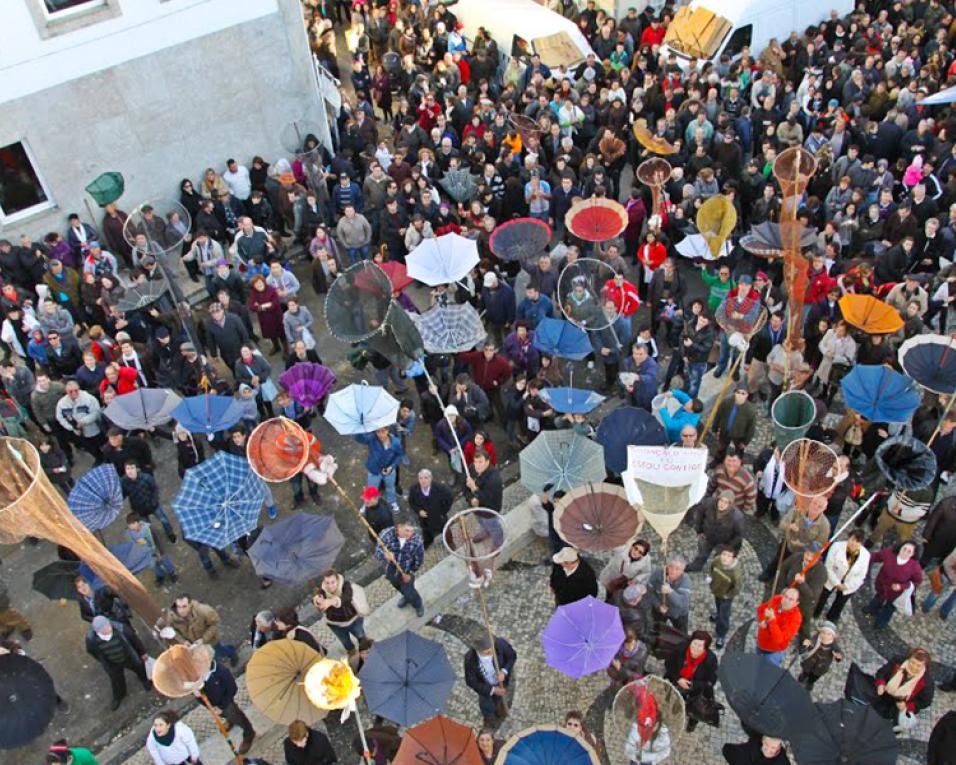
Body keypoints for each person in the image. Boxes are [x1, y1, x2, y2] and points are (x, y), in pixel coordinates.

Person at [197, 644, 257, 754]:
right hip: (213, 704)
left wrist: (222, 707)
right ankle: (230, 721)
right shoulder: (200, 672)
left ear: (208, 659)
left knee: (238, 718)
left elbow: (232, 689)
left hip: (226, 704)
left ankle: (249, 734)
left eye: (200, 660)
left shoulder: (221, 671)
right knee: (225, 715)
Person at [85, 615, 150, 710]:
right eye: (105, 628)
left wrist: (143, 652)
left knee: (139, 667)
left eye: (108, 625)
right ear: (98, 631)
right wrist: (103, 661)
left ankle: (144, 680)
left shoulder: (122, 629)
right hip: (112, 662)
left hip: (128, 656)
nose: (108, 628)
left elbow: (135, 640)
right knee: (116, 680)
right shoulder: (91, 639)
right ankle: (119, 695)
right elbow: (92, 651)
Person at [664, 630, 718, 732]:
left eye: (699, 646)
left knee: (695, 709)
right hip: (677, 683)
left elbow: (711, 681)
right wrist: (678, 679)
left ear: (705, 648)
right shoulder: (680, 649)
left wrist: (693, 685)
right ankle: (676, 709)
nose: (695, 648)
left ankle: (692, 723)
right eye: (694, 643)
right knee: (676, 699)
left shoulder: (710, 660)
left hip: (695, 691)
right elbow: (668, 664)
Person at [864, 540, 924, 630]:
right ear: (900, 547)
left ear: (913, 554)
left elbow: (917, 582)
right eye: (904, 549)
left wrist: (902, 586)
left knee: (889, 608)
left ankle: (881, 622)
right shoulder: (889, 553)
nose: (905, 552)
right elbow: (875, 556)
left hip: (896, 593)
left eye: (909, 551)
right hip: (882, 586)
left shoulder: (915, 567)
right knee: (878, 598)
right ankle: (872, 609)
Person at [165, 594, 239, 667]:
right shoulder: (172, 617)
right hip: (195, 646)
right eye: (179, 607)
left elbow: (215, 624)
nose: (181, 610)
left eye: (184, 606)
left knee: (219, 653)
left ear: (190, 605)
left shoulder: (204, 611)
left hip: (210, 641)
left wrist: (203, 639)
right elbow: (173, 631)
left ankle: (232, 653)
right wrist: (184, 641)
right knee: (211, 660)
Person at [874, 648, 935, 733]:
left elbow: (925, 702)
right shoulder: (897, 662)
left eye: (918, 665)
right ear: (908, 659)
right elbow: (881, 673)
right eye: (912, 662)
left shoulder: (927, 682)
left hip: (901, 704)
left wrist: (908, 706)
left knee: (891, 728)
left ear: (924, 666)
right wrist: (881, 684)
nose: (914, 667)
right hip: (885, 694)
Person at [375, 516, 426, 617]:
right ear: (399, 527)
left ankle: (418, 604)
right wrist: (384, 555)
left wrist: (411, 573)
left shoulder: (416, 540)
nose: (410, 534)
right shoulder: (386, 534)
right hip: (390, 570)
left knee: (410, 591)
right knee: (399, 588)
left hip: (406, 571)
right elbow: (377, 551)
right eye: (407, 530)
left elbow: (419, 559)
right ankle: (406, 597)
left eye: (412, 531)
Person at [815, 529, 869, 622]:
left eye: (857, 541)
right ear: (848, 537)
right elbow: (828, 566)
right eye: (852, 539)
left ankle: (831, 618)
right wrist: (837, 583)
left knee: (840, 603)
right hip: (832, 578)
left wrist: (847, 586)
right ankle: (816, 613)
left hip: (848, 584)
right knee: (822, 597)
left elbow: (861, 576)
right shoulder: (836, 546)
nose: (854, 543)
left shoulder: (866, 555)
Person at [464, 633, 517, 727]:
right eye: (488, 652)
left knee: (499, 697)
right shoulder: (470, 659)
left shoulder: (500, 644)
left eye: (492, 649)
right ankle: (488, 717)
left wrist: (504, 671)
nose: (492, 652)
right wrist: (492, 690)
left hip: (501, 682)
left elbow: (512, 656)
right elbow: (471, 681)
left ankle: (499, 708)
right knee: (486, 704)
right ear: (478, 651)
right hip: (485, 686)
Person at [779, 542, 827, 642]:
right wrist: (783, 587)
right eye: (807, 554)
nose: (809, 558)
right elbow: (783, 568)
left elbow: (812, 595)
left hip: (804, 603)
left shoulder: (821, 572)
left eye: (812, 556)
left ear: (818, 558)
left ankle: (804, 641)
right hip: (788, 594)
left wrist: (802, 583)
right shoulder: (797, 557)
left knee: (804, 623)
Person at [313, 568, 368, 654]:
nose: (330, 586)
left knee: (361, 636)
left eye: (333, 582)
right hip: (336, 624)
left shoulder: (346, 585)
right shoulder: (322, 592)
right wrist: (317, 602)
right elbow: (319, 605)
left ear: (337, 581)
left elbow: (347, 598)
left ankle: (366, 651)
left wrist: (332, 601)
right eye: (327, 583)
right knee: (346, 642)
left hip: (354, 619)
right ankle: (352, 654)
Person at [120, 461, 177, 543]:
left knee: (164, 520)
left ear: (136, 469)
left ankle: (170, 533)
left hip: (152, 505)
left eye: (132, 468)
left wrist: (154, 502)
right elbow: (124, 494)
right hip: (139, 509)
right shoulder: (124, 482)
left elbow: (155, 489)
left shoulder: (146, 477)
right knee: (147, 528)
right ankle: (154, 540)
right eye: (128, 468)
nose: (130, 471)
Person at [687, 491, 745, 572]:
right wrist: (699, 530)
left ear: (730, 504)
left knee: (719, 560)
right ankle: (696, 567)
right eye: (721, 500)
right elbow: (700, 513)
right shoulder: (709, 503)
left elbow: (739, 535)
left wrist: (728, 546)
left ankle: (715, 572)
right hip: (708, 536)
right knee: (702, 553)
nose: (722, 504)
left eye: (726, 502)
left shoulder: (737, 517)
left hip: (724, 542)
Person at [355, 426, 404, 512]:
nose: (380, 434)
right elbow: (359, 438)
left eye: (383, 431)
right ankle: (367, 503)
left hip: (389, 471)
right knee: (371, 489)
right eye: (378, 432)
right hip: (374, 470)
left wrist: (391, 467)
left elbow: (399, 456)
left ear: (388, 430)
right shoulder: (372, 439)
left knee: (390, 487)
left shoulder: (396, 442)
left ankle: (392, 501)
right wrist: (360, 428)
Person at [408, 468, 453, 548]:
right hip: (424, 519)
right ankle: (428, 542)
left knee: (446, 530)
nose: (423, 480)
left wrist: (443, 511)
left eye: (426, 478)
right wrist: (419, 511)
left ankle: (450, 543)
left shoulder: (440, 488)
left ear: (430, 478)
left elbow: (449, 498)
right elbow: (411, 502)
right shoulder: (414, 489)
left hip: (438, 516)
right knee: (426, 531)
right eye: (421, 478)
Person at [756, 588, 802, 666]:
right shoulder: (777, 599)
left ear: (796, 603)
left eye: (791, 599)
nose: (786, 600)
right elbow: (760, 609)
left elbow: (779, 639)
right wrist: (762, 620)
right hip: (760, 643)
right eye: (785, 596)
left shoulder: (795, 618)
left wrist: (772, 620)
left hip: (773, 652)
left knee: (768, 672)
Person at [645, 557, 692, 633]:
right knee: (656, 629)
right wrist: (658, 605)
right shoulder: (658, 574)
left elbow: (682, 603)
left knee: (681, 633)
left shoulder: (686, 581)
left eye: (677, 569)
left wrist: (670, 591)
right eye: (671, 567)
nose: (673, 571)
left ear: (682, 571)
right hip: (660, 609)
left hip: (678, 614)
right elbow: (649, 592)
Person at [709, 545, 742, 650]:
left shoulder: (735, 574)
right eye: (724, 554)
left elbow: (736, 588)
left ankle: (721, 634)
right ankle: (717, 614)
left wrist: (727, 596)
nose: (725, 557)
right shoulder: (717, 560)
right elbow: (711, 568)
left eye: (728, 556)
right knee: (717, 605)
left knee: (724, 614)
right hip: (716, 590)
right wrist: (710, 578)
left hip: (726, 596)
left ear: (733, 558)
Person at [797, 621, 843, 690]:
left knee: (814, 676)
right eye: (823, 633)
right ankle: (803, 676)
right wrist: (806, 644)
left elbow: (839, 654)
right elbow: (810, 643)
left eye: (829, 634)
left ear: (833, 636)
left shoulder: (834, 645)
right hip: (809, 662)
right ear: (820, 632)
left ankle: (810, 682)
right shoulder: (816, 638)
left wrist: (838, 657)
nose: (825, 636)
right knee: (805, 671)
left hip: (821, 667)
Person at [721, 736, 791, 765]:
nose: (769, 749)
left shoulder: (783, 762)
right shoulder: (749, 748)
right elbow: (728, 750)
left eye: (773, 747)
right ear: (763, 741)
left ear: (779, 747)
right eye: (766, 744)